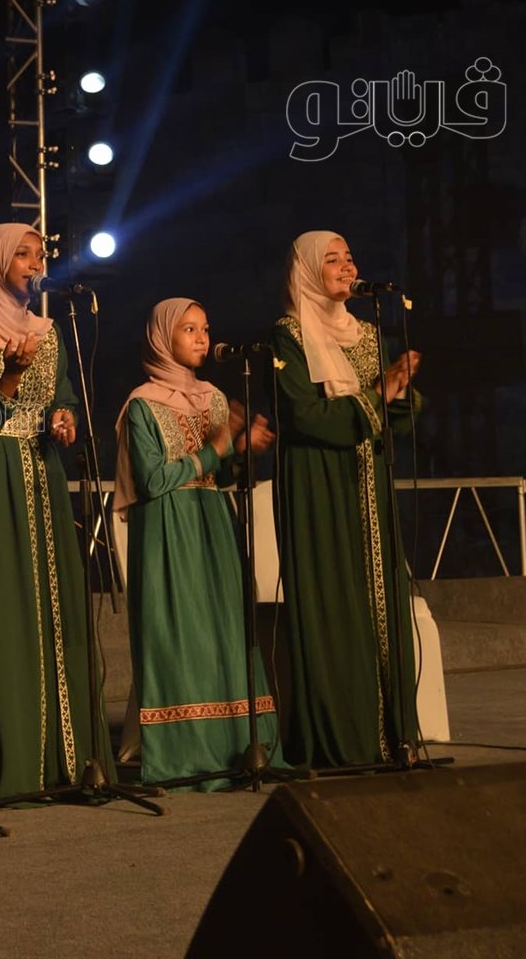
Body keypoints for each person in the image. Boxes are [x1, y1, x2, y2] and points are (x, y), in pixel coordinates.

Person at [0, 223, 112, 801]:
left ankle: (67, 760)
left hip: (45, 477)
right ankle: (14, 767)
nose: (35, 263)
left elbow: (61, 395)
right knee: (5, 617)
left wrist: (65, 417)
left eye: (39, 255)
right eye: (22, 254)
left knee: (58, 610)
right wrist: (12, 375)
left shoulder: (49, 330)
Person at [115, 297, 281, 788]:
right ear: (162, 336)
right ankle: (185, 750)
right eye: (189, 329)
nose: (202, 338)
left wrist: (240, 450)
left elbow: (221, 474)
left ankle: (238, 744)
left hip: (212, 524)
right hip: (167, 531)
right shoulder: (142, 403)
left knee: (223, 629)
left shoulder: (214, 398)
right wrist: (216, 449)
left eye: (205, 328)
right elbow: (153, 480)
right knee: (180, 633)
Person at [272, 231, 422, 768]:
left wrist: (399, 387)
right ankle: (348, 741)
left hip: (368, 480)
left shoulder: (367, 333)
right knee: (336, 604)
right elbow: (305, 416)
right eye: (331, 260)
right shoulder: (288, 335)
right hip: (320, 484)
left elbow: (391, 414)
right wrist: (379, 393)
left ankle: (395, 737)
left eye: (349, 257)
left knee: (383, 600)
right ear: (308, 271)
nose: (346, 267)